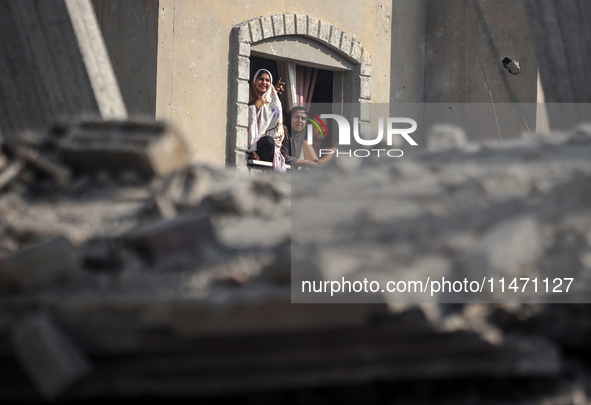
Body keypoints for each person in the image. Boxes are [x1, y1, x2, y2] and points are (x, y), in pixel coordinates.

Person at [247, 69, 286, 172]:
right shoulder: (246, 96)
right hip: (247, 143)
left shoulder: (273, 100)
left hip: (265, 146)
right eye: (261, 79)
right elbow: (240, 116)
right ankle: (251, 151)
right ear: (254, 81)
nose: (264, 83)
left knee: (268, 141)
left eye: (267, 80)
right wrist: (255, 106)